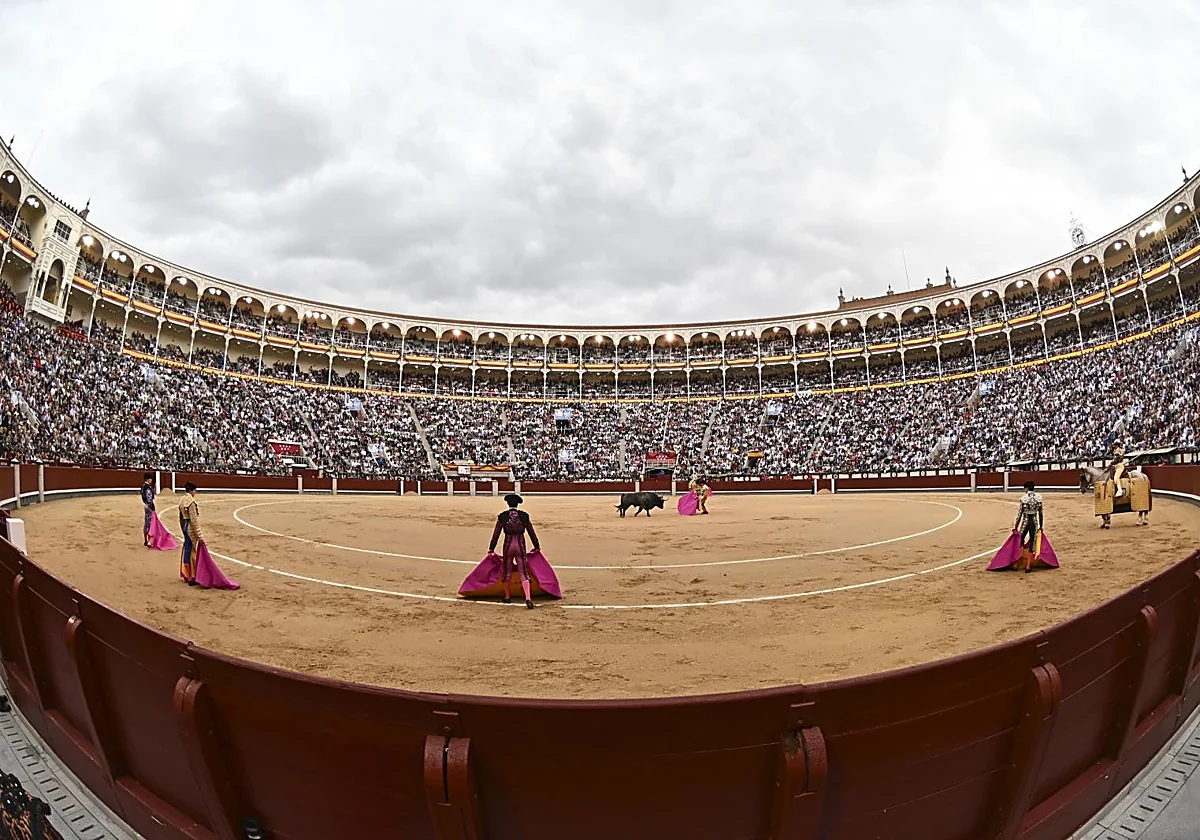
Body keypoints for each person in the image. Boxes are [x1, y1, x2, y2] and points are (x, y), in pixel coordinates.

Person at [488, 493, 540, 608]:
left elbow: (496, 534)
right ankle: (528, 597)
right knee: (523, 572)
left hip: (508, 545)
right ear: (517, 504)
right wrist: (537, 546)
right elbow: (531, 532)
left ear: (507, 504)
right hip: (520, 545)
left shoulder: (502, 516)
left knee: (507, 571)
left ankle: (507, 597)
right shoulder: (524, 516)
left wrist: (491, 548)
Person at [1014, 480, 1044, 574]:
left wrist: (1016, 526)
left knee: (1019, 540)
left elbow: (1019, 515)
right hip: (1034, 522)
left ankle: (1016, 564)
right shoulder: (1038, 498)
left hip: (1025, 522)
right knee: (1032, 543)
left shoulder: (1024, 498)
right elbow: (1041, 513)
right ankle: (1028, 566)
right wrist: (1041, 526)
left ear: (1026, 488)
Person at [178, 482, 204, 586]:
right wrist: (200, 535)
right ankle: (192, 576)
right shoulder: (191, 502)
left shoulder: (182, 500)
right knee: (194, 550)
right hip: (190, 527)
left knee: (187, 549)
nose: (195, 493)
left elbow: (180, 517)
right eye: (194, 491)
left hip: (185, 525)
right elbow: (194, 520)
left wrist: (183, 529)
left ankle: (186, 574)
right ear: (191, 490)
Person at [140, 472, 156, 547]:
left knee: (147, 524)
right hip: (149, 506)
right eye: (150, 479)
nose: (151, 480)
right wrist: (151, 506)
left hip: (146, 505)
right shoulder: (147, 487)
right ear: (147, 479)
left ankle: (146, 540)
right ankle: (149, 541)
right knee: (150, 524)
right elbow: (149, 498)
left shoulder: (144, 486)